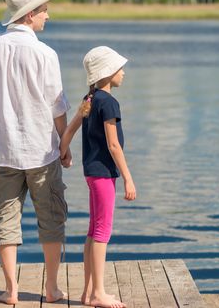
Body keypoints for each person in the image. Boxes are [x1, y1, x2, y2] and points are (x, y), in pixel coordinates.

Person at [0, 0, 71, 305]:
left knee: (6, 221)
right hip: (42, 150)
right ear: (29, 15)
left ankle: (11, 291)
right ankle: (53, 288)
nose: (48, 15)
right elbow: (57, 106)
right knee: (52, 219)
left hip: (2, 150)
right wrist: (64, 144)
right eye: (43, 10)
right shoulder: (45, 53)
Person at [59, 46, 137, 308]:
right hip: (104, 174)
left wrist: (63, 152)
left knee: (93, 231)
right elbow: (114, 145)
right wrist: (128, 177)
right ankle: (98, 293)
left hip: (91, 173)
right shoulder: (109, 102)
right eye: (119, 68)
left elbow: (69, 129)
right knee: (103, 231)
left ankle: (88, 291)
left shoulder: (90, 98)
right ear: (107, 73)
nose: (123, 73)